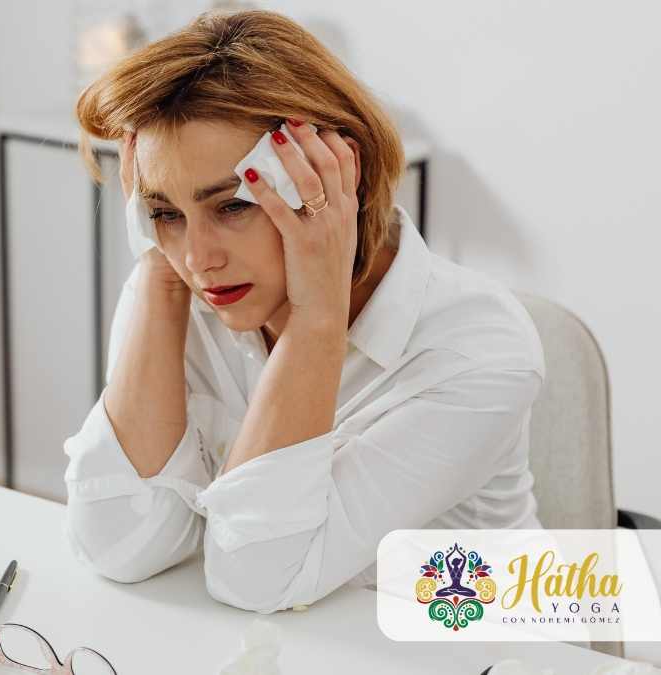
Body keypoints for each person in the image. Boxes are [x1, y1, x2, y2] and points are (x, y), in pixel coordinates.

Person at [62, 10, 543, 613]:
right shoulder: (176, 284)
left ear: (332, 175)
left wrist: (318, 315)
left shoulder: (478, 354)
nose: (198, 258)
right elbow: (119, 548)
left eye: (233, 205)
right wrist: (160, 280)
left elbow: (253, 579)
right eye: (165, 213)